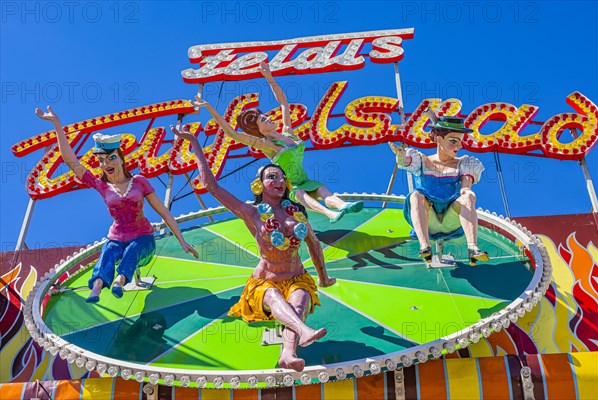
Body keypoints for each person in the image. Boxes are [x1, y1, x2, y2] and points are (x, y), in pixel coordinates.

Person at [171, 124, 336, 372]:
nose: (279, 181)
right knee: (274, 297)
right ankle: (303, 331)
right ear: (259, 185)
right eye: (272, 177)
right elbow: (211, 186)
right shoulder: (252, 213)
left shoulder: (297, 213)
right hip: (266, 281)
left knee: (300, 302)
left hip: (296, 276)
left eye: (282, 177)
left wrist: (323, 278)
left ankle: (288, 354)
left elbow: (313, 243)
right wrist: (194, 142)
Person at [35, 106, 198, 303]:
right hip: (117, 238)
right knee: (109, 250)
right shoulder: (101, 185)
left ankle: (120, 281)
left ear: (120, 159)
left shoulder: (139, 182)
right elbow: (71, 162)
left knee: (133, 250)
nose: (106, 164)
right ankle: (96, 287)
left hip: (143, 238)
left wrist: (182, 240)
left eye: (111, 158)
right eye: (101, 160)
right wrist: (57, 124)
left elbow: (163, 212)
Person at [195, 61, 363, 223]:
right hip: (289, 189)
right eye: (263, 119)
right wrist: (209, 107)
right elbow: (233, 134)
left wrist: (268, 76)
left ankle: (343, 206)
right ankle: (330, 214)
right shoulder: (268, 145)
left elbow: (283, 102)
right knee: (300, 193)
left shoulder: (288, 133)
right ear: (259, 129)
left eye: (265, 116)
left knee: (322, 189)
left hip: (306, 180)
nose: (268, 118)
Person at [389, 112, 489, 266]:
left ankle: (473, 248)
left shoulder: (464, 163)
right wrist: (402, 156)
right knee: (415, 195)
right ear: (438, 138)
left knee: (468, 197)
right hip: (428, 219)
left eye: (460, 141)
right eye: (454, 141)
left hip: (451, 218)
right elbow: (407, 162)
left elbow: (465, 187)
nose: (459, 146)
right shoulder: (422, 160)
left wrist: (467, 194)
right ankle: (425, 246)